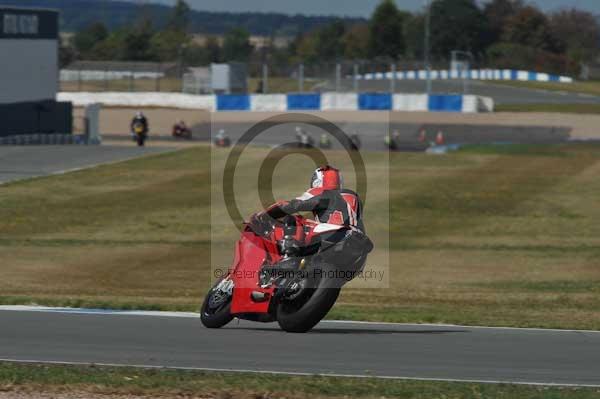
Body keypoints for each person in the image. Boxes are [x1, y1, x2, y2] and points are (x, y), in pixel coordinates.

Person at [253, 165, 365, 248]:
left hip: (332, 237)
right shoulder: (354, 196)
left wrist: (265, 215)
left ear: (317, 181)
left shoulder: (321, 192)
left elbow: (294, 205)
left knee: (295, 221)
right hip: (359, 243)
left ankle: (289, 257)